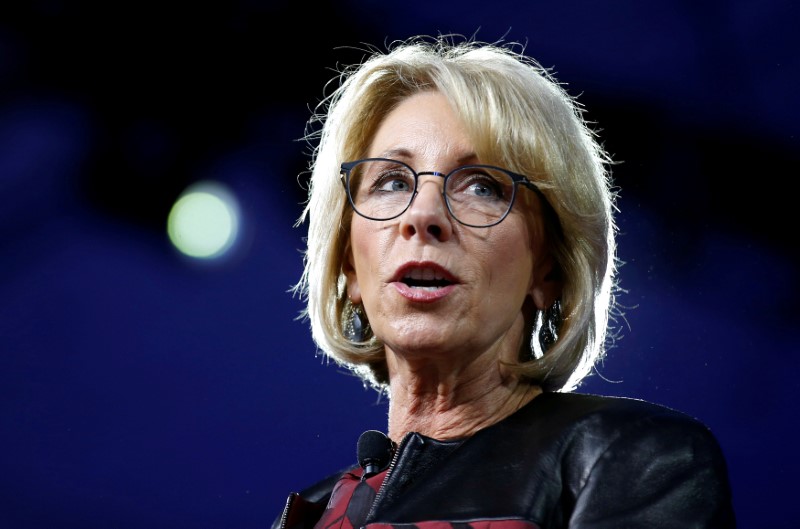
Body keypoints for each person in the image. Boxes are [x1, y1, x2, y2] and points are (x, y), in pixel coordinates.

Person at [275, 34, 736, 529]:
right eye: (392, 182)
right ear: (349, 265)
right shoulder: (316, 511)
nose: (423, 215)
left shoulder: (629, 459)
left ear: (550, 269)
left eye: (482, 186)